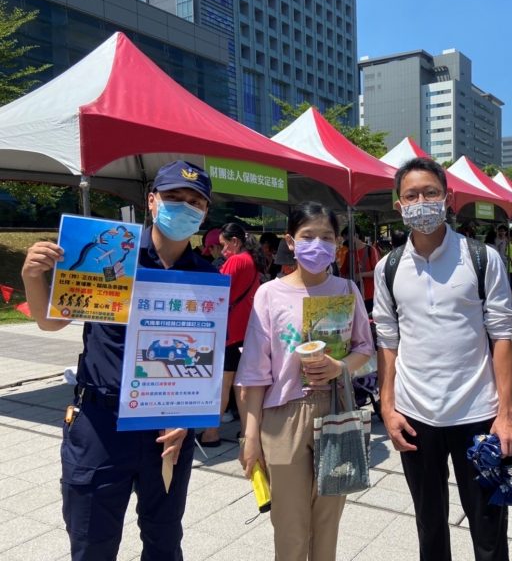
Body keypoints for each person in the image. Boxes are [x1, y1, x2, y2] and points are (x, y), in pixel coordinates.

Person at [21, 160, 218, 560]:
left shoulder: (205, 276)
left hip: (167, 432)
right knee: (92, 543)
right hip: (100, 424)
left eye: (194, 202)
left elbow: (204, 363)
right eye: (174, 198)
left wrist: (189, 418)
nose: (183, 207)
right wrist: (32, 276)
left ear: (205, 213)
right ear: (151, 201)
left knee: (164, 544)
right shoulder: (112, 256)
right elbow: (48, 322)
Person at [373, 157, 512, 561]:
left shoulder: (482, 258)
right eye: (411, 195)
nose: (421, 201)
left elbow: (502, 336)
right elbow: (387, 342)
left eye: (430, 193)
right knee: (429, 526)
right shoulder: (388, 268)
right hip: (415, 416)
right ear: (399, 205)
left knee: (489, 529)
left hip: (478, 415)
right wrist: (387, 408)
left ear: (448, 198)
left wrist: (505, 415)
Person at [236, 201, 374, 561]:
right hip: (283, 417)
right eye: (307, 236)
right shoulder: (269, 294)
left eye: (326, 237)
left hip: (335, 411)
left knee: (327, 521)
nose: (318, 245)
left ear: (338, 242)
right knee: (289, 524)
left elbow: (364, 348)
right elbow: (254, 371)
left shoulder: (346, 289)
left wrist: (339, 367)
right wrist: (251, 436)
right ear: (291, 242)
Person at [198, 223, 260, 447]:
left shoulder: (236, 260)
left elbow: (216, 291)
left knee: (223, 383)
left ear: (235, 242)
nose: (222, 251)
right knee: (240, 385)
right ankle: (245, 432)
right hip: (245, 331)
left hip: (230, 332)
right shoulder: (251, 260)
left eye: (224, 245)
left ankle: (211, 433)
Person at [339, 225, 380, 314]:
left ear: (356, 236)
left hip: (370, 296)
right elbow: (342, 274)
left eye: (348, 240)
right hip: (354, 296)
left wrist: (361, 275)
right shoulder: (349, 254)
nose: (347, 243)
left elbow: (378, 272)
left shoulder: (371, 250)